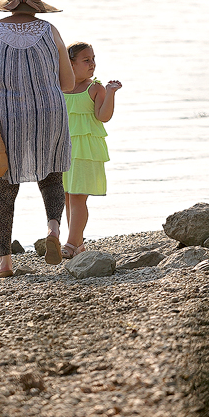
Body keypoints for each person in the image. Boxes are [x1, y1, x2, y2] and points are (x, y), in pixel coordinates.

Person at [0, 0, 75, 278]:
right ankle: (53, 230)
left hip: (7, 118)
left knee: (4, 190)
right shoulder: (50, 31)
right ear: (37, 4)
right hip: (50, 112)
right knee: (52, 176)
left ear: (9, 2)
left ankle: (5, 263)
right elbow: (68, 84)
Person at [62, 42, 122, 259]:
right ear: (71, 64)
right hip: (64, 148)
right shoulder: (60, 87)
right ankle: (77, 245)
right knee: (67, 197)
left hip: (87, 149)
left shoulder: (95, 88)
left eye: (93, 59)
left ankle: (69, 243)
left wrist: (111, 93)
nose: (92, 64)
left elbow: (103, 117)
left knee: (78, 197)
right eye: (86, 60)